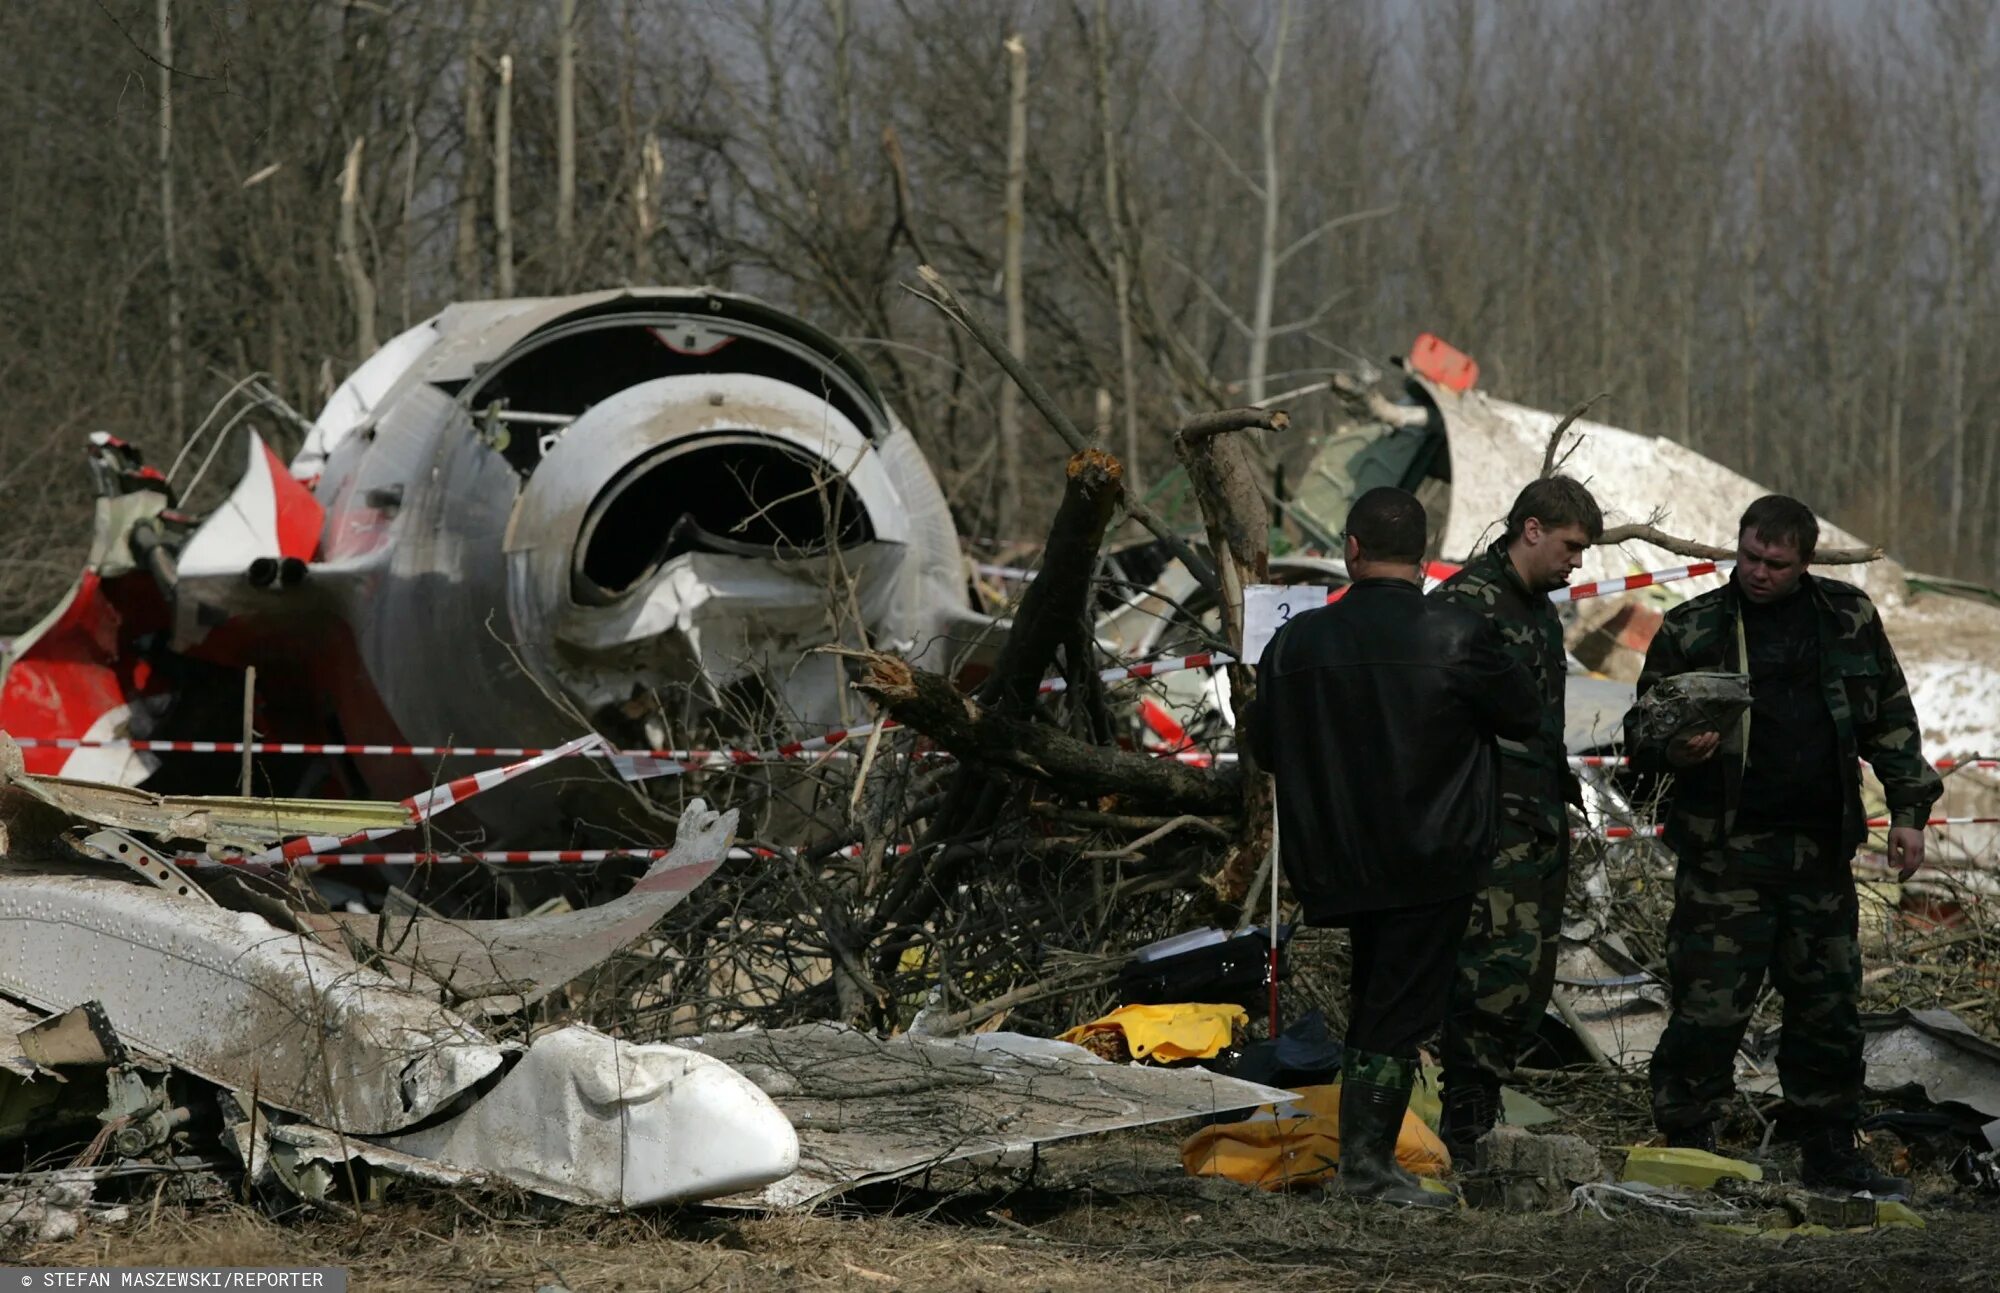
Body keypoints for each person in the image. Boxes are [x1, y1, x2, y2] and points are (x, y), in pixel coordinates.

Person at [1627, 494, 1940, 1196]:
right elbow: (1640, 734)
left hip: (1819, 853)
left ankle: (1829, 1144)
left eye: (1775, 563)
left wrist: (1909, 810)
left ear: (1805, 561)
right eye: (1749, 557)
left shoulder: (1847, 619)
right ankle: (1687, 1138)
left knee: (1827, 1006)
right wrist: (1677, 746)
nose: (1759, 573)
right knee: (1709, 1007)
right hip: (1724, 853)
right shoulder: (1695, 626)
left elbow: (1891, 719)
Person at [1242, 486, 1539, 1207]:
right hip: (1430, 854)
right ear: (1426, 555)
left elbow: (1265, 746)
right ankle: (1369, 1167)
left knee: (1379, 1000)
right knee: (1395, 1013)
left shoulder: (1296, 642)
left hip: (1336, 859)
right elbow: (1527, 716)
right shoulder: (1460, 633)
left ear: (1350, 549)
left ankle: (1367, 1158)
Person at [1431, 476, 1603, 1163]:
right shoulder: (1463, 607)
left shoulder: (1537, 610)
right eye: (1571, 545)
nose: (1577, 562)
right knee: (1486, 973)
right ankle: (1464, 1119)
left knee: (1524, 975)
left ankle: (1481, 1104)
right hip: (1486, 825)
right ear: (1531, 529)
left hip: (1533, 823)